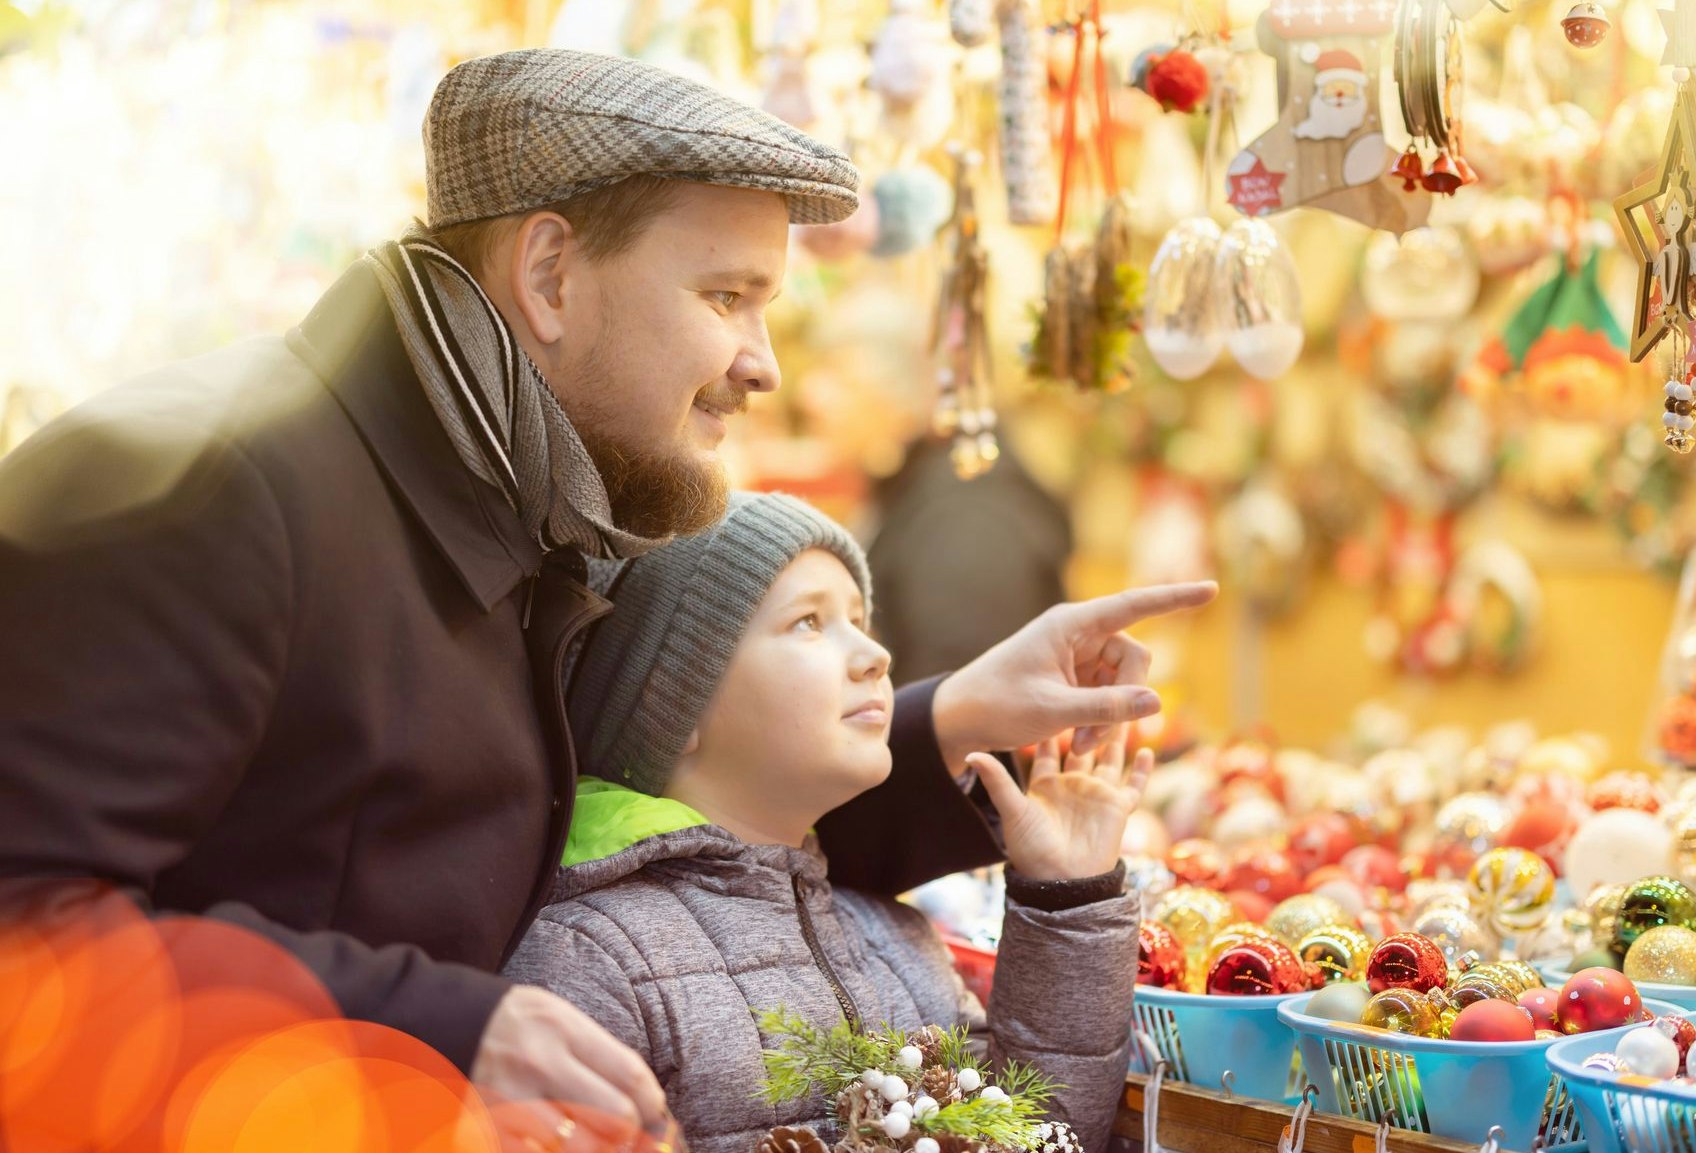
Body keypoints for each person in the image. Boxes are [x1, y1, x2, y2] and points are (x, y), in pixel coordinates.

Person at [0, 47, 1214, 1132]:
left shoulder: (530, 497)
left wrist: (957, 722)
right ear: (548, 274)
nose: (762, 361)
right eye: (726, 295)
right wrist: (444, 1024)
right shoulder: (206, 480)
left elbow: (659, 809)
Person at [507, 492, 1143, 1153]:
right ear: (674, 702)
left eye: (861, 618)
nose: (874, 653)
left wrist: (1069, 893)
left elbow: (1037, 1138)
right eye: (808, 621)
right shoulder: (587, 960)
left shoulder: (898, 940)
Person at [866, 431, 1073, 684]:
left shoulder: (966, 508)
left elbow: (961, 671)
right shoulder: (934, 482)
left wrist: (911, 719)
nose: (814, 403)